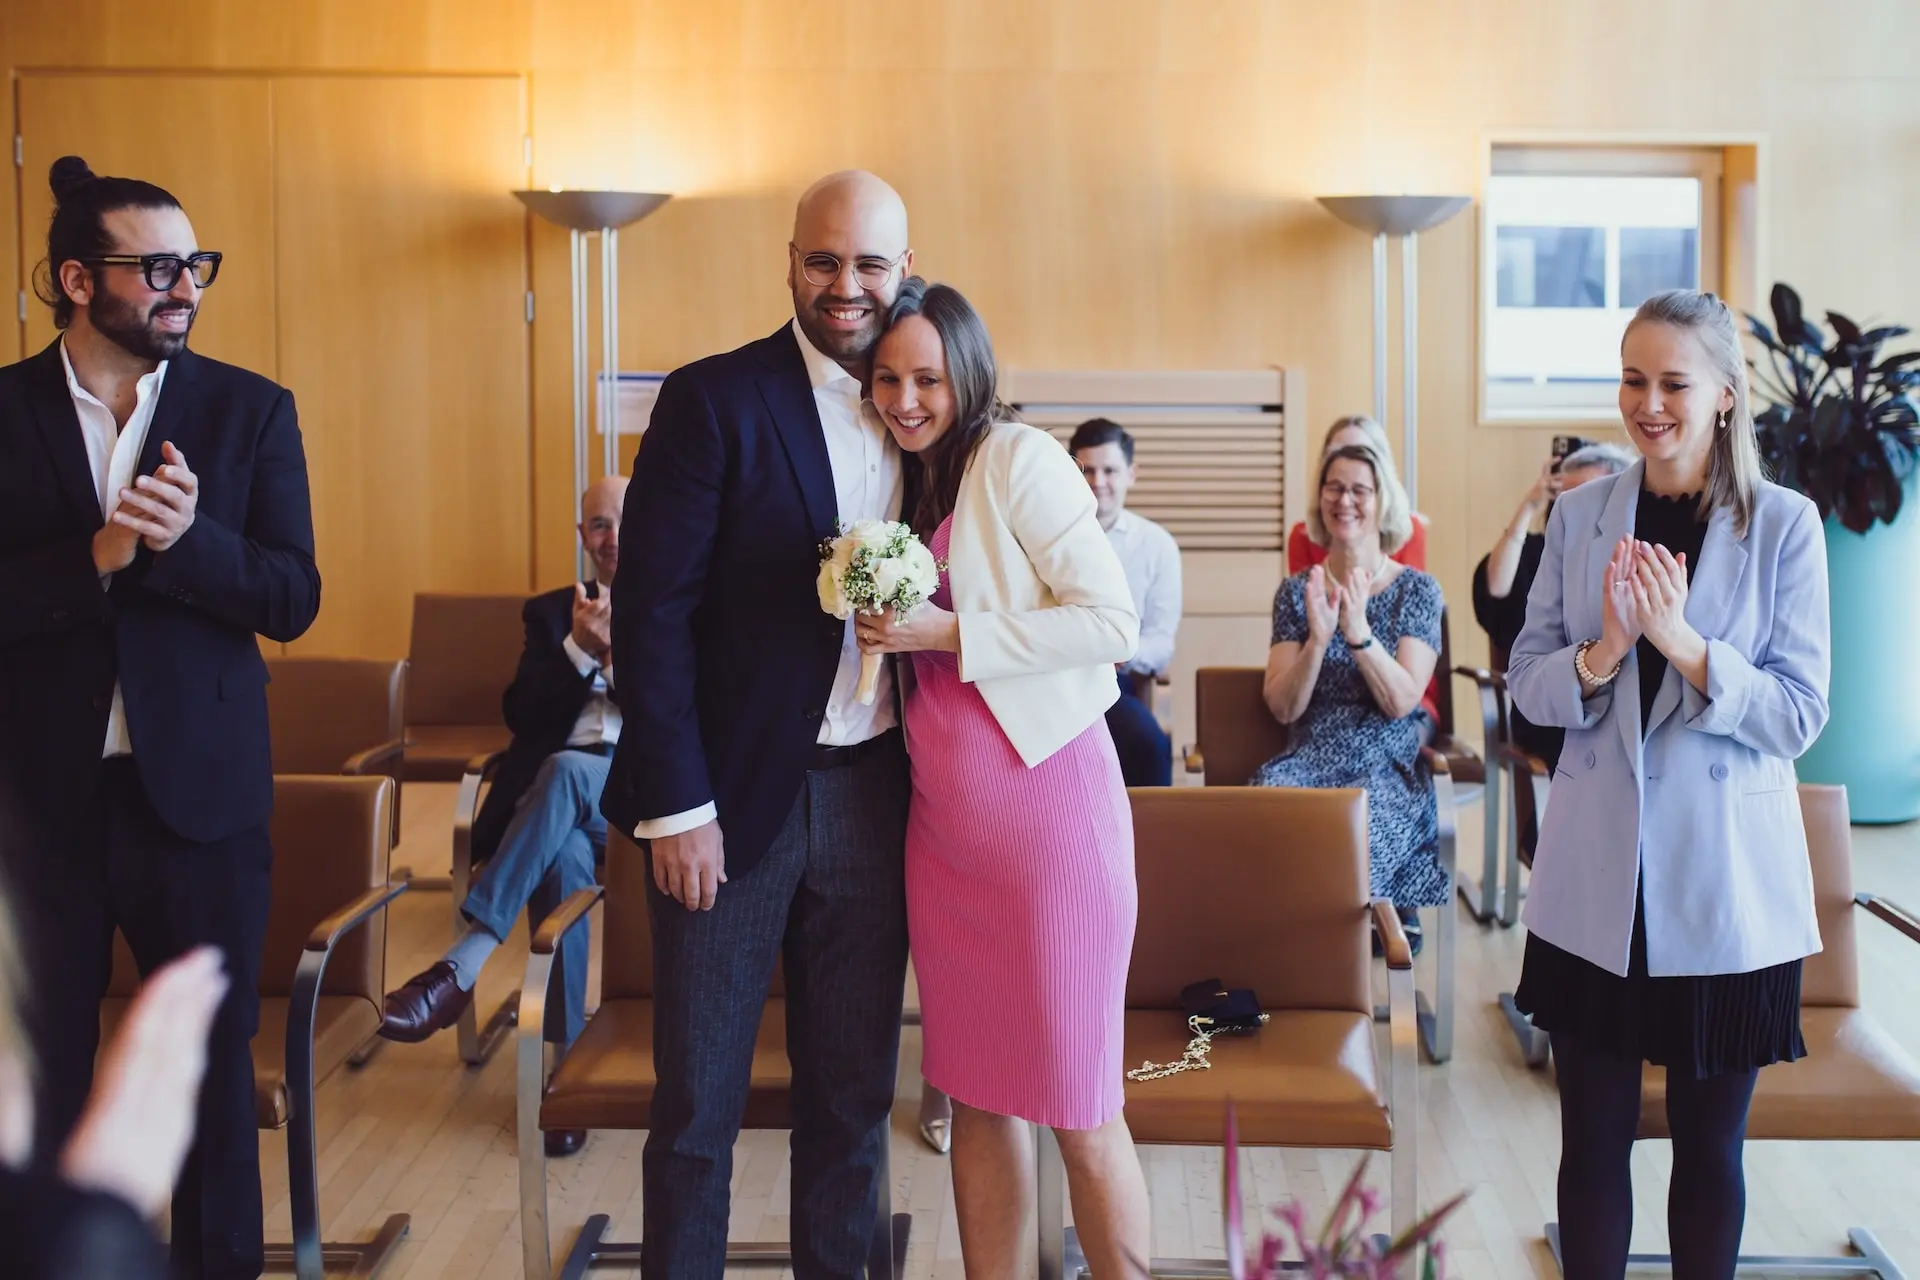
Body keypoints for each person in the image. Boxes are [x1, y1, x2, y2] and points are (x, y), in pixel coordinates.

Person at [0, 157, 319, 1280]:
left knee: (211, 1079)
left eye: (197, 264)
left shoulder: (249, 410)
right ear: (78, 280)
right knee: (39, 1077)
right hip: (40, 806)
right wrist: (95, 556)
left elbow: (292, 595)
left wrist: (189, 546)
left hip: (203, 802)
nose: (187, 285)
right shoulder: (3, 412)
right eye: (160, 266)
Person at [602, 171, 914, 1278]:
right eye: (823, 260)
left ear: (902, 273)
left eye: (869, 263)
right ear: (790, 261)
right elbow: (652, 614)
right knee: (696, 1108)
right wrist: (675, 807)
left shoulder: (926, 406)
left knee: (852, 1102)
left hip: (878, 793)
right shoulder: (711, 398)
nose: (845, 285)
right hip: (726, 802)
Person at [1507, 289, 1830, 1280]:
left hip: (1725, 892)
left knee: (1709, 1153)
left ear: (1725, 396)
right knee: (1592, 1146)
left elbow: (1798, 712)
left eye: (1674, 382)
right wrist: (1605, 650)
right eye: (1633, 378)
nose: (1648, 403)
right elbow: (1528, 683)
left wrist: (1686, 646)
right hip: (1596, 887)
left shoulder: (1784, 525)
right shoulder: (1579, 515)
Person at [855, 279, 1150, 1279]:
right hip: (946, 840)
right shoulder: (896, 482)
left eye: (927, 378)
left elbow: (1111, 622)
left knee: (1080, 1103)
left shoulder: (1015, 457)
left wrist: (949, 631)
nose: (904, 398)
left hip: (1049, 826)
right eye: (888, 376)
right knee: (975, 1090)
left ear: (967, 373)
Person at [379, 476, 628, 1158]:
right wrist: (577, 650)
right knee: (566, 851)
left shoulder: (689, 607)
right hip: (558, 808)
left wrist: (619, 656)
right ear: (583, 539)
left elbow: (694, 723)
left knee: (572, 773)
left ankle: (463, 964)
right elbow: (523, 720)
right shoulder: (551, 614)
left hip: (644, 804)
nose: (614, 537)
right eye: (599, 525)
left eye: (626, 521)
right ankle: (565, 1070)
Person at [1253, 442, 1445, 952]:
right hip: (1308, 753)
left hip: (1383, 759)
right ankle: (1287, 974)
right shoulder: (1297, 593)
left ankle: (1338, 982)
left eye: (1360, 489)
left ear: (1383, 501)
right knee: (1264, 816)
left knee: (1357, 844)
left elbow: (1402, 701)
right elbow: (1282, 706)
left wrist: (1358, 634)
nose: (1345, 500)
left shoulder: (1418, 592)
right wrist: (1317, 641)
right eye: (1334, 487)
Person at [1472, 442, 1634, 853]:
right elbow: (1495, 590)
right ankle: (1561, 847)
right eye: (1566, 496)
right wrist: (1527, 507)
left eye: (1590, 495)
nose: (1576, 508)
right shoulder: (1534, 553)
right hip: (1550, 710)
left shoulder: (1633, 555)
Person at [1070, 417, 1181, 787]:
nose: (1098, 482)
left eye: (1110, 470)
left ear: (1131, 474)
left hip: (1114, 681)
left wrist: (1119, 650)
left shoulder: (1156, 545)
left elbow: (1162, 643)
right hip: (1050, 675)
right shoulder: (1043, 535)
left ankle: (1154, 843)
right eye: (1087, 470)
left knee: (1147, 742)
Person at [1285, 413, 1427, 574]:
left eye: (1362, 453)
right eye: (1338, 454)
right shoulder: (1302, 536)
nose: (1348, 464)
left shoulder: (1411, 532)